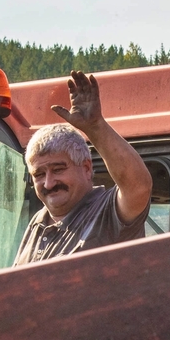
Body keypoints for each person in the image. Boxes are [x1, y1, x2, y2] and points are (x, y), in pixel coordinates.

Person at [13, 70, 153, 265]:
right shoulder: (37, 223)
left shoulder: (106, 213)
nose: (49, 183)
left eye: (58, 169)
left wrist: (95, 126)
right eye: (39, 174)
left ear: (87, 168)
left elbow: (138, 187)